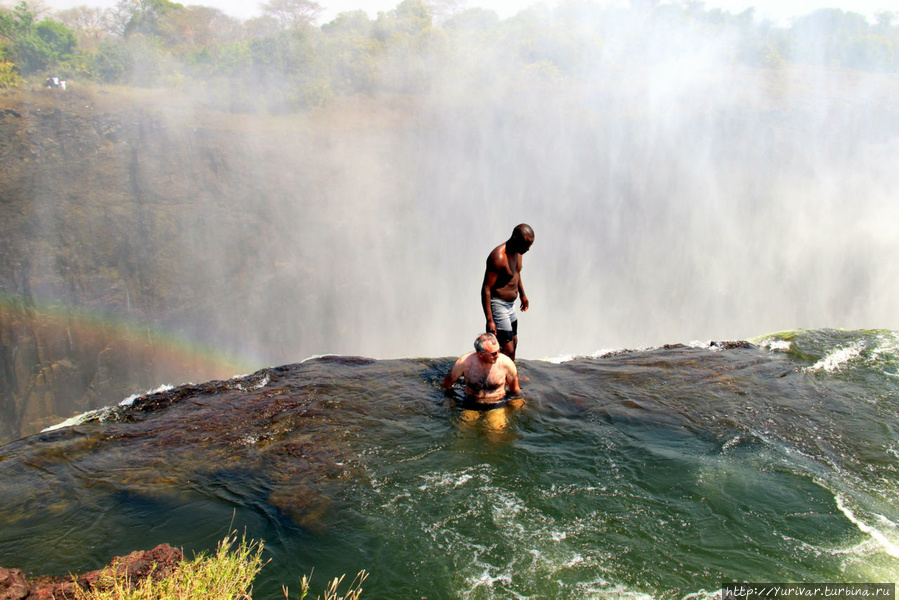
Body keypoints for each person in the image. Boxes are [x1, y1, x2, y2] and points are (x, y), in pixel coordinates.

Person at [443, 333, 523, 430]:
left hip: (497, 404)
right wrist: (449, 402)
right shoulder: (464, 363)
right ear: (480, 354)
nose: (497, 356)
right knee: (463, 431)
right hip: (471, 403)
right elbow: (446, 385)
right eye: (493, 353)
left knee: (496, 431)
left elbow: (515, 390)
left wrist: (517, 407)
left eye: (499, 350)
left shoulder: (506, 363)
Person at [482, 223, 535, 361]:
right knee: (507, 349)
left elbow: (516, 274)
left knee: (514, 341)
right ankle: (502, 379)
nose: (528, 249)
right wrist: (489, 320)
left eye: (530, 245)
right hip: (498, 305)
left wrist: (523, 295)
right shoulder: (498, 257)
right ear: (515, 238)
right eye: (526, 245)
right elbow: (486, 289)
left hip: (511, 306)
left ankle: (510, 376)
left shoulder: (519, 252)